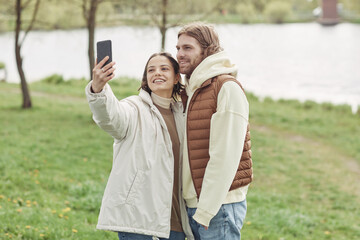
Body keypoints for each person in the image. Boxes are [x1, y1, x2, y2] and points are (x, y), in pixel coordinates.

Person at [85, 52, 194, 240]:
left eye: (164, 69)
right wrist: (98, 88)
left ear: (177, 77)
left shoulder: (182, 114)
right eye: (151, 70)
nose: (156, 73)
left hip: (176, 225)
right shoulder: (134, 108)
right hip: (139, 224)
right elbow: (110, 117)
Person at [175, 22, 253, 239]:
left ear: (207, 50)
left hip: (218, 207)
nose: (180, 54)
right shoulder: (192, 89)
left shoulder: (226, 88)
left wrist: (206, 211)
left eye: (187, 48)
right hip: (195, 205)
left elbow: (225, 156)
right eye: (178, 48)